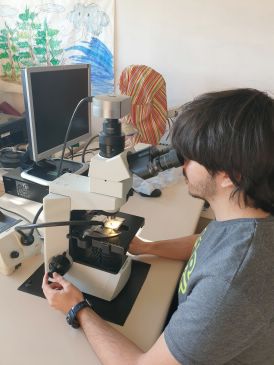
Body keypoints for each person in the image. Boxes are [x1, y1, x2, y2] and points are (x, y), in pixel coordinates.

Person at [42, 88, 274, 365]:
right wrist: (146, 247)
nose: (181, 164)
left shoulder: (229, 285)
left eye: (190, 156)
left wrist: (77, 309)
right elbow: (205, 242)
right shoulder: (248, 219)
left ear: (230, 175)